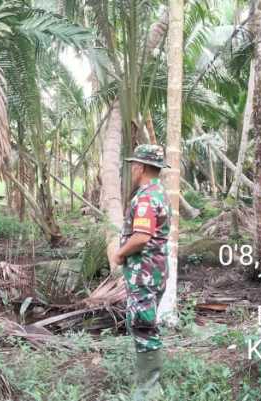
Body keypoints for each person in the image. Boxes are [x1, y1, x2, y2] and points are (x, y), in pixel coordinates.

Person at [112, 144, 171, 400]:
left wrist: (119, 253)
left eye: (134, 165)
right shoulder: (159, 192)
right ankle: (147, 384)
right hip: (153, 272)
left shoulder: (146, 197)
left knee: (144, 327)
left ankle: (149, 390)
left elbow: (141, 238)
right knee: (143, 324)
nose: (132, 169)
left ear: (141, 166)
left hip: (144, 274)